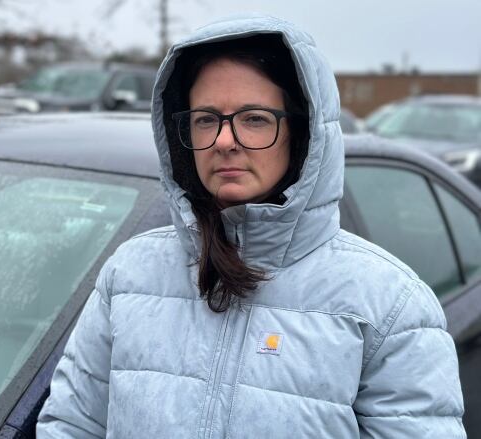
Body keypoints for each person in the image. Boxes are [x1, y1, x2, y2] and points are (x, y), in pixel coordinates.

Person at [37, 13, 466, 438]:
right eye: (206, 118)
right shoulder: (130, 275)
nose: (224, 140)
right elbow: (71, 426)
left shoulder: (388, 304)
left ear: (303, 134)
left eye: (254, 118)